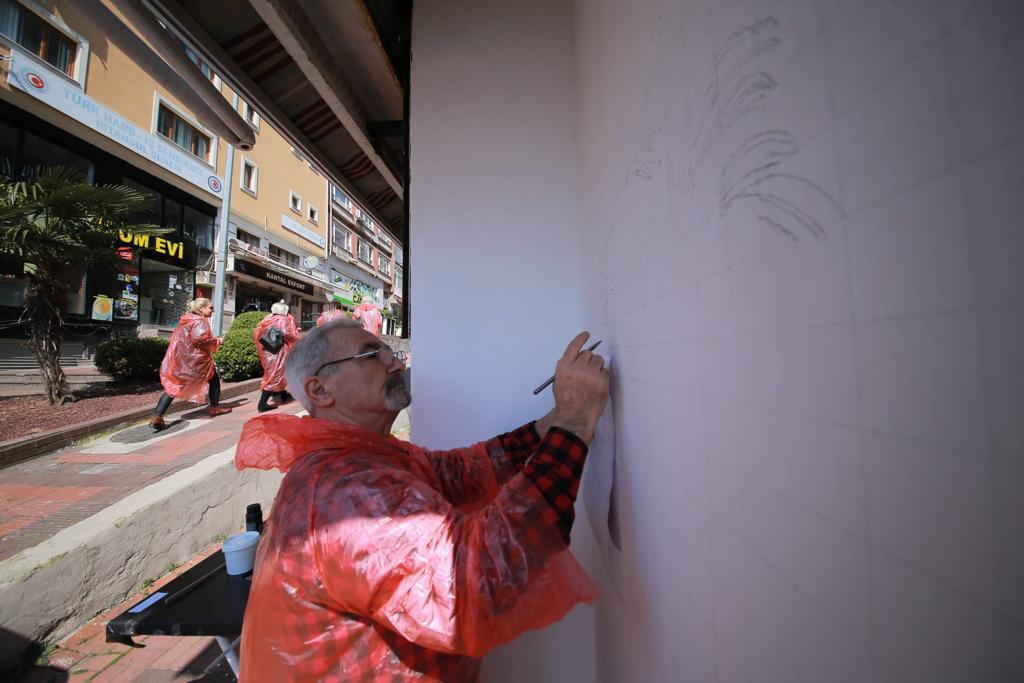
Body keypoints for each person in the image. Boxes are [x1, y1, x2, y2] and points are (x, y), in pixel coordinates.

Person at [234, 321, 609, 681]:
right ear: (320, 391)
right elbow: (472, 585)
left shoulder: (369, 456)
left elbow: (461, 473)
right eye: (372, 355)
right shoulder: (343, 489)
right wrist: (574, 424)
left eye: (391, 352)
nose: (397, 363)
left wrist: (556, 421)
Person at [149, 298, 231, 431]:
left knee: (174, 386)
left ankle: (157, 417)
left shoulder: (186, 319)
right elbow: (200, 339)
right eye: (210, 307)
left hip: (181, 360)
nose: (213, 310)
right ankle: (214, 408)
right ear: (201, 309)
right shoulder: (200, 321)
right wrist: (218, 340)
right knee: (214, 379)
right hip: (195, 361)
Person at [252, 301, 301, 412]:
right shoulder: (282, 319)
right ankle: (262, 404)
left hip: (267, 351)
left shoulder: (266, 319)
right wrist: (298, 336)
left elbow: (257, 335)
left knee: (280, 373)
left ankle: (283, 395)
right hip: (278, 352)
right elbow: (287, 334)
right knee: (275, 375)